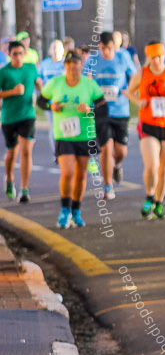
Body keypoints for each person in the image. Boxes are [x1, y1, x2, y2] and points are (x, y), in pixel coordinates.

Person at [39, 50, 106, 228]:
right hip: (64, 134)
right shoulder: (55, 83)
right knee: (68, 172)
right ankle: (64, 210)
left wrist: (89, 109)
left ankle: (76, 210)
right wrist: (51, 105)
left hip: (85, 135)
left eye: (74, 63)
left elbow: (103, 108)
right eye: (68, 64)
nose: (71, 67)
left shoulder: (89, 85)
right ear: (65, 66)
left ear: (80, 65)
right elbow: (40, 101)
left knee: (81, 174)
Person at [127, 42, 165, 221]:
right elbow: (127, 92)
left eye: (159, 56)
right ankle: (149, 196)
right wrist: (138, 102)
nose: (156, 60)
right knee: (152, 166)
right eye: (153, 57)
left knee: (164, 169)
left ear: (164, 56)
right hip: (148, 124)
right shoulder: (142, 73)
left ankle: (159, 202)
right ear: (148, 58)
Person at [85, 32, 135, 199]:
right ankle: (108, 186)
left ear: (115, 46)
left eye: (109, 48)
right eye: (102, 48)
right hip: (101, 110)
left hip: (121, 109)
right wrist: (88, 81)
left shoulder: (123, 57)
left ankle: (117, 164)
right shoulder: (93, 59)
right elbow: (83, 79)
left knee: (121, 151)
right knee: (106, 148)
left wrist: (130, 90)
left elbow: (134, 75)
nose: (105, 52)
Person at [0, 41, 43, 203]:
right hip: (9, 117)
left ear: (24, 54)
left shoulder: (31, 68)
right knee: (12, 153)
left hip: (27, 116)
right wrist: (12, 92)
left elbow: (39, 85)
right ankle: (10, 179)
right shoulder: (3, 72)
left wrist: (41, 89)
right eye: (14, 54)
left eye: (20, 53)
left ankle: (24, 189)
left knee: (26, 152)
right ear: (9, 55)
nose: (18, 57)